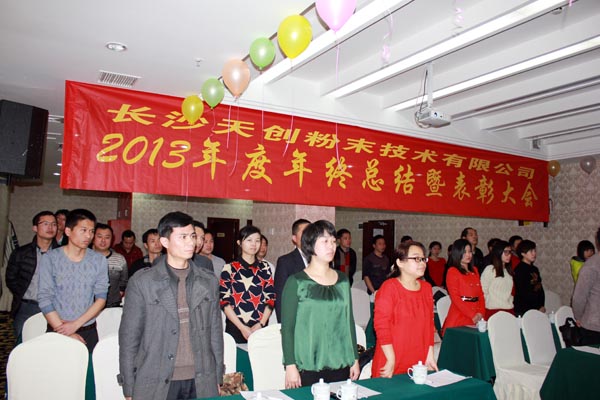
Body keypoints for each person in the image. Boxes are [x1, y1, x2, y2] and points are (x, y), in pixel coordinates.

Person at [119, 211, 223, 400]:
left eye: (192, 236)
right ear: (164, 241)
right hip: (156, 379)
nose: (191, 242)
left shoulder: (208, 281)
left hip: (201, 378)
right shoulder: (143, 282)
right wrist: (129, 386)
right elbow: (129, 339)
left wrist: (217, 375)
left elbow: (215, 333)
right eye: (183, 237)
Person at [281, 220, 360, 388]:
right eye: (325, 241)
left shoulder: (343, 280)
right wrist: (290, 365)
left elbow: (349, 321)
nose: (331, 246)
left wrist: (354, 358)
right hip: (308, 363)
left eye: (333, 241)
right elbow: (287, 328)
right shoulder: (297, 282)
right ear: (310, 244)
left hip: (340, 360)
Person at [38, 209, 109, 352]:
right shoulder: (50, 258)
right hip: (58, 329)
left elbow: (101, 298)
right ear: (68, 231)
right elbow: (44, 298)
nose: (88, 236)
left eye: (91, 231)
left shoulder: (99, 260)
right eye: (83, 230)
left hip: (87, 330)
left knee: (87, 366)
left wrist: (75, 325)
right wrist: (66, 331)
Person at [372, 241, 438, 377]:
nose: (422, 263)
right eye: (416, 258)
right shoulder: (389, 287)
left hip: (418, 361)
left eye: (423, 259)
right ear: (400, 262)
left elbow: (429, 325)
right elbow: (381, 326)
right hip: (391, 359)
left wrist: (430, 355)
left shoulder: (426, 288)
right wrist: (391, 358)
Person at [6, 211, 59, 338]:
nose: (50, 227)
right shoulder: (21, 253)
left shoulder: (63, 254)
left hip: (54, 308)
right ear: (35, 228)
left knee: (50, 344)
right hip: (27, 307)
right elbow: (11, 278)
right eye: (45, 224)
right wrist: (23, 293)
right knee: (23, 343)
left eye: (54, 224)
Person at [219, 225, 275, 343]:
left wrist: (261, 324)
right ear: (239, 242)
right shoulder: (229, 268)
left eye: (257, 241)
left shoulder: (265, 268)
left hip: (259, 328)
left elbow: (270, 298)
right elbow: (224, 301)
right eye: (249, 240)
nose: (254, 244)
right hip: (236, 327)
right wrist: (242, 327)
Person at [441, 239, 485, 335]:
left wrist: (481, 312)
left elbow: (481, 295)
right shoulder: (453, 271)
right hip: (460, 315)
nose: (468, 255)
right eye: (464, 252)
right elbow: (455, 298)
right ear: (457, 253)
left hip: (477, 315)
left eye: (470, 251)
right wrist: (472, 315)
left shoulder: (475, 270)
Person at [274, 218, 310, 321]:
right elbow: (280, 297)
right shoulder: (285, 261)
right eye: (304, 233)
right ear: (294, 238)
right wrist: (283, 323)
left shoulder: (320, 260)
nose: (309, 236)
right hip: (296, 319)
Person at [572, 227, 600, 345]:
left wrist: (578, 317)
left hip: (593, 325)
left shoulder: (591, 265)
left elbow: (579, 297)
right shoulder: (591, 265)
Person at [92, 223, 128, 307]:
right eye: (99, 237)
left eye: (107, 237)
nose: (103, 240)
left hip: (113, 305)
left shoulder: (120, 259)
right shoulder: (85, 257)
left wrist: (119, 294)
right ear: (93, 238)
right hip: (89, 306)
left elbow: (124, 281)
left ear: (112, 239)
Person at [480, 240, 514, 319]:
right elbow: (482, 291)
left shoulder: (508, 272)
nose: (509, 255)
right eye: (506, 252)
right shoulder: (490, 269)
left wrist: (510, 301)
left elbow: (510, 293)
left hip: (509, 309)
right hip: (493, 310)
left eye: (510, 252)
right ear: (498, 252)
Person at [513, 239, 545, 316]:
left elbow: (540, 289)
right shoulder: (519, 270)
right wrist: (536, 307)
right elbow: (523, 292)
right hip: (523, 309)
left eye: (534, 251)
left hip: (536, 308)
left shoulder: (534, 269)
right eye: (531, 251)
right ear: (523, 253)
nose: (534, 254)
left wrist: (541, 305)